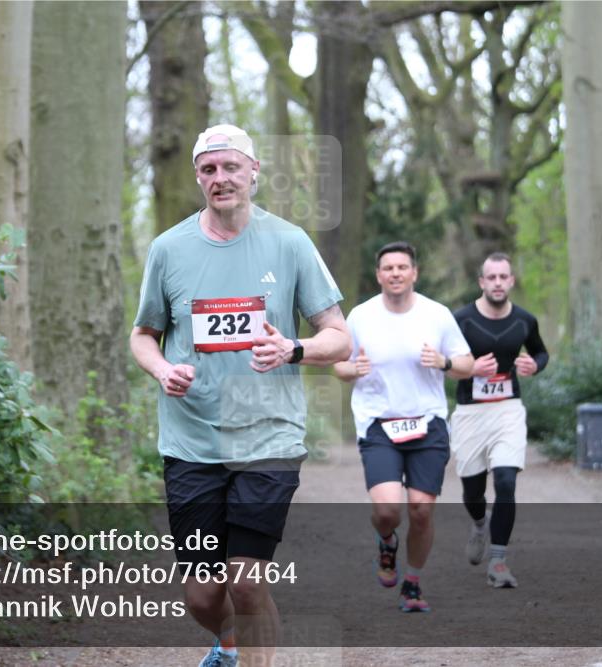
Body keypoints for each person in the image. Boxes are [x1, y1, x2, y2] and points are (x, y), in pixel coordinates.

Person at [130, 124, 351, 667]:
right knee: (204, 596)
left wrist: (293, 350)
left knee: (247, 583)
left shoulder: (290, 242)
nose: (220, 178)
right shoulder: (169, 249)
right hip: (191, 442)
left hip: (268, 436)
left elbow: (340, 337)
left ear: (254, 171)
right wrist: (162, 370)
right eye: (209, 169)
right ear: (197, 178)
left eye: (231, 167)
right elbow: (143, 335)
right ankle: (229, 642)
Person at [333, 242, 473, 612]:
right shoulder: (360, 317)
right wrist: (354, 369)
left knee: (422, 509)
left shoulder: (437, 314)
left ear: (414, 273)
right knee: (387, 511)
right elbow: (339, 366)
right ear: (378, 275)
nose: (395, 273)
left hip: (427, 423)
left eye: (402, 267)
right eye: (388, 268)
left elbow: (467, 364)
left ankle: (412, 583)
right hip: (379, 425)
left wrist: (443, 362)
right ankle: (387, 541)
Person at [451, 252, 549, 588]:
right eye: (490, 277)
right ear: (481, 282)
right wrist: (469, 368)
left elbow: (540, 351)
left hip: (508, 408)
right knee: (472, 490)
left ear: (511, 281)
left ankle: (498, 561)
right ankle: (480, 523)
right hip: (469, 412)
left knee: (506, 481)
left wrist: (535, 365)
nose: (497, 283)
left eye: (503, 277)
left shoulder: (524, 320)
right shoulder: (460, 320)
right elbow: (444, 361)